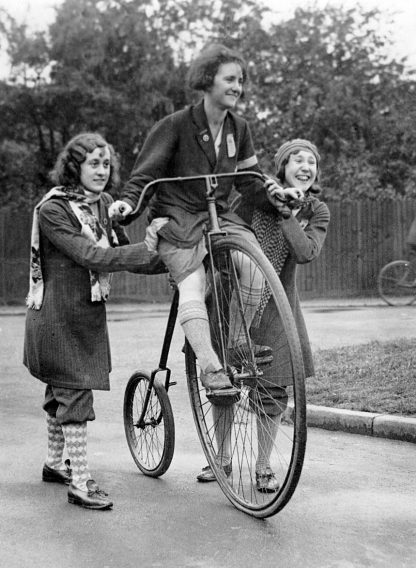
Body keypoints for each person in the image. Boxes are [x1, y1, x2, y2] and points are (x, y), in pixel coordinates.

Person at [109, 43, 276, 400]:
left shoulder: (238, 127)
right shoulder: (175, 125)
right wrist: (127, 205)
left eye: (241, 81)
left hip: (219, 214)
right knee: (193, 283)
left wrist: (279, 199)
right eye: (230, 79)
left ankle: (235, 345)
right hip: (178, 217)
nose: (237, 87)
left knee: (254, 268)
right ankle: (211, 367)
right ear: (207, 80)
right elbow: (145, 176)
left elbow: (250, 180)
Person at [23, 132, 162, 510]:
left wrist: (169, 261)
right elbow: (91, 256)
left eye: (106, 164)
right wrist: (147, 249)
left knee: (60, 392)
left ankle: (55, 465)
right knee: (74, 392)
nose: (102, 171)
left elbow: (119, 251)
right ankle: (80, 483)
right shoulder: (54, 209)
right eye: (93, 164)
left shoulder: (100, 205)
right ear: (74, 167)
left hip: (81, 316)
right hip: (56, 318)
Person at [197, 139, 330, 491]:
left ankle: (262, 465)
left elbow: (305, 252)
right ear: (282, 167)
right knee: (223, 386)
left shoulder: (316, 210)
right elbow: (221, 239)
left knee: (271, 393)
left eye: (311, 163)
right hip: (232, 301)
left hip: (277, 311)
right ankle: (221, 460)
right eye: (297, 160)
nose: (305, 167)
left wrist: (287, 213)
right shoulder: (255, 198)